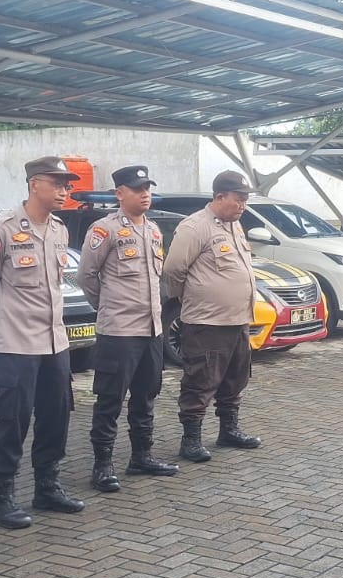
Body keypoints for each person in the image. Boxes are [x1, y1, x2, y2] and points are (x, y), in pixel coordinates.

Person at [0, 156, 85, 528]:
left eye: (67, 185)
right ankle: (1, 498)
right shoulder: (1, 229)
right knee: (12, 421)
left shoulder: (59, 229)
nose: (64, 191)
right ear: (34, 184)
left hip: (55, 342)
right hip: (16, 344)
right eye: (58, 184)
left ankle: (47, 487)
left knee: (56, 417)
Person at [77, 164, 181, 492]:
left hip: (151, 330)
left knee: (146, 395)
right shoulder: (104, 229)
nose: (145, 194)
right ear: (120, 193)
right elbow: (86, 276)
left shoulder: (153, 230)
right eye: (137, 189)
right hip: (119, 332)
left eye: (147, 188)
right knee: (110, 399)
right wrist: (109, 305)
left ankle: (141, 456)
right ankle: (102, 465)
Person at [161, 170, 263, 463]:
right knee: (200, 381)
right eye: (238, 199)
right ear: (220, 196)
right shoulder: (195, 227)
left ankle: (228, 430)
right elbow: (173, 271)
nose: (243, 205)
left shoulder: (235, 225)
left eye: (245, 199)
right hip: (207, 322)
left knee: (235, 379)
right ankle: (190, 440)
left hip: (238, 320)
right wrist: (191, 299)